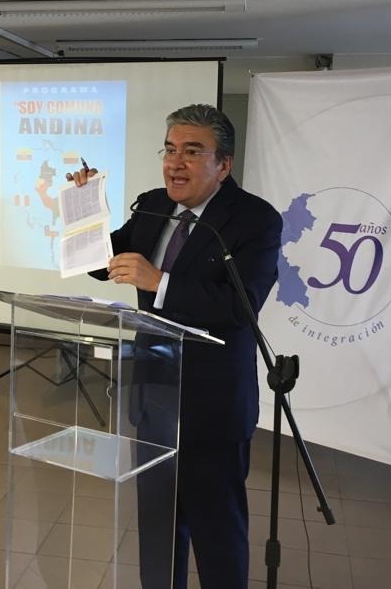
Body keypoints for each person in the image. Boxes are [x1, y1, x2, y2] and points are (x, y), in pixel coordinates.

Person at [73, 104, 282, 588]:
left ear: (223, 164)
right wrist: (83, 210)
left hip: (213, 404)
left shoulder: (255, 219)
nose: (175, 163)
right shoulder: (152, 204)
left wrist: (160, 282)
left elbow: (241, 306)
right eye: (169, 150)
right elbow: (104, 263)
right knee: (158, 528)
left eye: (192, 152)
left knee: (216, 530)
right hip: (155, 393)